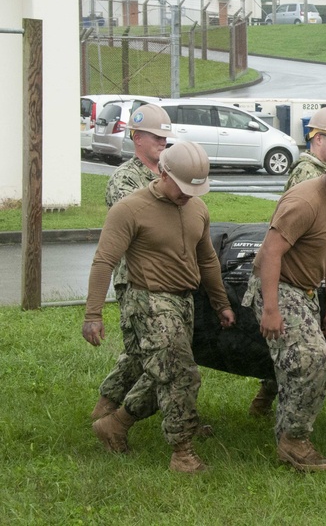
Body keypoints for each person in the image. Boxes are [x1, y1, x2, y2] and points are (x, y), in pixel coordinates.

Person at [82, 141, 236, 473]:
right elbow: (104, 262)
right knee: (182, 374)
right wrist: (93, 314)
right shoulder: (129, 209)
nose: (188, 194)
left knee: (160, 373)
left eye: (194, 189)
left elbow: (207, 259)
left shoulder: (197, 209)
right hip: (148, 300)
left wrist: (220, 302)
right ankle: (182, 452)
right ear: (162, 172)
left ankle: (116, 424)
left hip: (184, 301)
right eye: (182, 187)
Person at [241, 139, 326, 472]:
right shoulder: (304, 201)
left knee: (310, 354)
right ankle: (294, 441)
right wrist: (271, 310)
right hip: (277, 285)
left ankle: (276, 414)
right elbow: (271, 253)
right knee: (312, 358)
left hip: (305, 290)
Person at [90, 104, 174, 424]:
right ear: (137, 137)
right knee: (149, 352)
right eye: (156, 136)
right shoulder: (124, 179)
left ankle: (108, 406)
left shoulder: (170, 174)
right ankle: (112, 414)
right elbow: (135, 226)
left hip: (168, 275)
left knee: (144, 351)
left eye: (166, 136)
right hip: (135, 277)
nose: (163, 141)